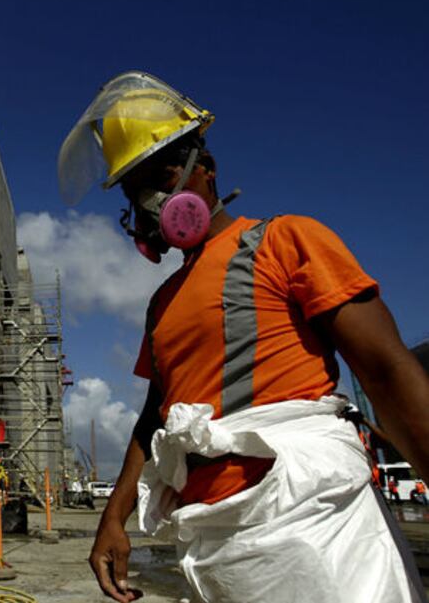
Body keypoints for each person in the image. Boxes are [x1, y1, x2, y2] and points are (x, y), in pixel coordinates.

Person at [58, 71, 429, 602]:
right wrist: (113, 519)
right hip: (214, 547)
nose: (150, 201)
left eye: (162, 176)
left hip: (313, 528)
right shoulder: (161, 304)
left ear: (203, 170)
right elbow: (153, 419)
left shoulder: (283, 241)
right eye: (136, 189)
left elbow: (387, 371)